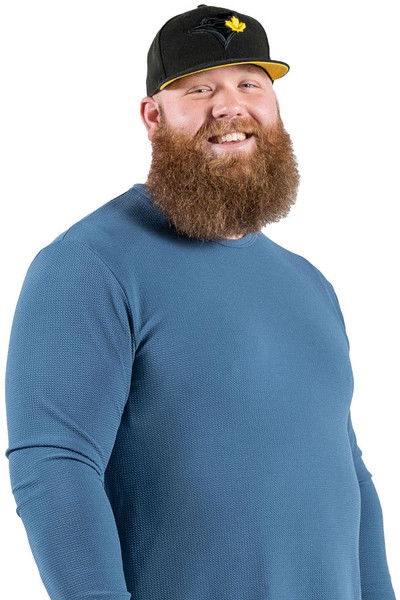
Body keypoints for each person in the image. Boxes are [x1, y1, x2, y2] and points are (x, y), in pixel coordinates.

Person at [4, 5, 396, 600]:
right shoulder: (90, 263)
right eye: (199, 89)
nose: (229, 106)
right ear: (152, 115)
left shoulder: (309, 283)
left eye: (249, 84)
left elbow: (349, 476)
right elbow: (55, 466)